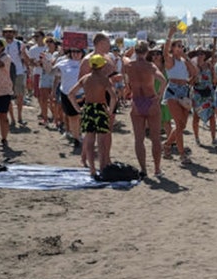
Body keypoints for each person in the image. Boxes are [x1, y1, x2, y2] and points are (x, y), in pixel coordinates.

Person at [67, 55, 117, 178]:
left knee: (89, 141)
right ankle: (102, 167)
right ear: (102, 65)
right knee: (101, 142)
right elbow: (114, 97)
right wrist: (110, 111)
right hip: (100, 109)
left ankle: (92, 170)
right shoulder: (105, 79)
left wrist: (78, 109)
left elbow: (71, 94)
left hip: (88, 108)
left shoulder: (85, 78)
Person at [125, 42, 166, 178]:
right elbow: (163, 80)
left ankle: (143, 169)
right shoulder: (150, 66)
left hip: (137, 101)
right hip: (151, 100)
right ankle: (157, 169)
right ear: (147, 52)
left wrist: (129, 88)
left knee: (139, 139)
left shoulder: (129, 66)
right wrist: (159, 96)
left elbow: (123, 58)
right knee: (155, 138)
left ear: (136, 51)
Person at [161, 28, 197, 165]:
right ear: (173, 48)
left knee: (182, 125)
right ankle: (182, 155)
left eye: (182, 46)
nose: (181, 48)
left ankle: (167, 145)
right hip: (173, 91)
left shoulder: (183, 61)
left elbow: (194, 72)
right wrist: (169, 35)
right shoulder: (170, 61)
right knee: (178, 123)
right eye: (178, 46)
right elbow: (165, 53)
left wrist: (187, 58)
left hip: (184, 91)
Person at [55, 44, 87, 147]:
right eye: (73, 51)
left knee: (81, 116)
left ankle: (79, 134)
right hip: (67, 93)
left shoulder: (86, 62)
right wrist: (46, 61)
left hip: (82, 94)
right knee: (72, 116)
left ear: (82, 52)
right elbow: (52, 72)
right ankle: (76, 138)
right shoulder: (63, 62)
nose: (75, 54)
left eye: (78, 52)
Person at [1, 26, 30, 125]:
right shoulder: (0, 44)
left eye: (11, 32)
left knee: (20, 96)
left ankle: (20, 117)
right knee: (7, 96)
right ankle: (12, 118)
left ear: (14, 33)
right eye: (6, 32)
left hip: (18, 72)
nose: (9, 34)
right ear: (4, 33)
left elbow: (25, 57)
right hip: (5, 73)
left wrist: (28, 66)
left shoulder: (19, 44)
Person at [190, 49, 217, 147]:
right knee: (196, 116)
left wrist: (213, 72)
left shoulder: (209, 66)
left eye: (202, 53)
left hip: (209, 93)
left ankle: (214, 138)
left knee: (212, 116)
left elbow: (214, 81)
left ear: (205, 55)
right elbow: (190, 82)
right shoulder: (193, 67)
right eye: (198, 54)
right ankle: (197, 138)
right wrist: (194, 77)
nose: (200, 55)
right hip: (197, 94)